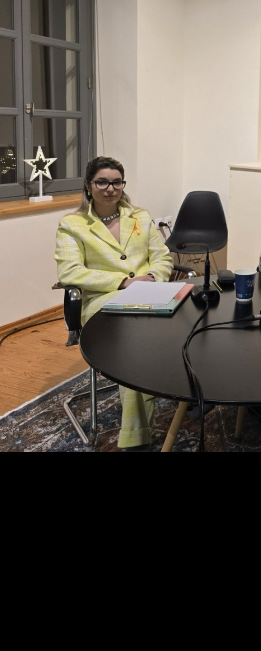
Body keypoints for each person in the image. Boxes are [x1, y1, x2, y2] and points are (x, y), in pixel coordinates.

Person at [54, 156, 173, 450]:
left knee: (191, 318)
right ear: (88, 185)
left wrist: (153, 278)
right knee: (135, 340)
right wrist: (123, 282)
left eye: (116, 182)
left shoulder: (140, 217)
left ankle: (191, 395)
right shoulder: (72, 224)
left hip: (149, 294)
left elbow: (162, 257)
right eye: (102, 182)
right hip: (102, 301)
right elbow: (70, 272)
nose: (110, 189)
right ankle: (136, 437)